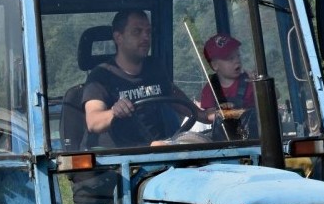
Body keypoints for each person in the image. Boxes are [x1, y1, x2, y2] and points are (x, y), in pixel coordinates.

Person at [83, 8, 203, 148]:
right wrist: (114, 112)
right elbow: (93, 121)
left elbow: (173, 96)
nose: (145, 37)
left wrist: (204, 115)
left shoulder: (155, 68)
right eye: (137, 32)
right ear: (118, 37)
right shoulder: (100, 76)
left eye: (148, 32)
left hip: (159, 149)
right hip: (119, 159)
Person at [198, 33, 257, 139]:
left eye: (238, 56)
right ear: (215, 65)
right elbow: (209, 115)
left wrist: (259, 82)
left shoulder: (250, 82)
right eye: (230, 58)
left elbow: (274, 96)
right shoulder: (209, 89)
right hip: (224, 139)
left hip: (253, 136)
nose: (237, 60)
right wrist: (227, 114)